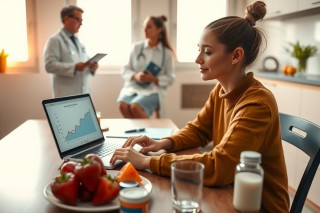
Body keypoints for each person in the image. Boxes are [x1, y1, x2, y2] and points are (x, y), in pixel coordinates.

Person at [110, 1, 290, 212]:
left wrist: (148, 162)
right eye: (199, 50)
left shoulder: (256, 104)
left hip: (260, 207)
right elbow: (198, 130)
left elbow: (220, 165)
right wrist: (162, 143)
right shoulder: (220, 90)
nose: (198, 59)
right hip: (231, 191)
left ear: (236, 55)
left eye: (207, 52)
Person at [117, 15, 175, 118]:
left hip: (153, 89)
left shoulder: (167, 54)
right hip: (134, 87)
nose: (145, 30)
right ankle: (136, 132)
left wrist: (153, 79)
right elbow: (125, 69)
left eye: (149, 27)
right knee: (123, 105)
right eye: (144, 27)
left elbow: (170, 78)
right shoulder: (136, 48)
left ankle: (150, 132)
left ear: (159, 30)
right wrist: (136, 76)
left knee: (135, 107)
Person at [44, 5, 98, 98]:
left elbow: (84, 62)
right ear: (66, 19)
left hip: (83, 92)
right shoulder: (54, 40)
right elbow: (49, 66)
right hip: (65, 94)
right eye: (78, 19)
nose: (81, 24)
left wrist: (92, 67)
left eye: (81, 20)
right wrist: (74, 67)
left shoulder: (78, 42)